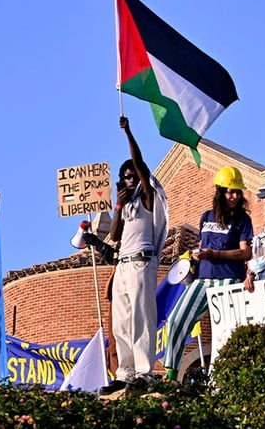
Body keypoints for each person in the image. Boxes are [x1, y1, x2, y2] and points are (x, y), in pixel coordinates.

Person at [99, 116, 169, 395]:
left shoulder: (148, 199)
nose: (130, 180)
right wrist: (118, 205)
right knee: (122, 321)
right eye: (125, 177)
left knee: (141, 316)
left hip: (141, 261)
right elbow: (114, 235)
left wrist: (129, 133)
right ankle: (125, 371)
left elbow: (140, 165)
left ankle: (144, 371)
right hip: (123, 263)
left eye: (133, 176)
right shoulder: (125, 206)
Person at [162, 166, 254, 381]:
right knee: (176, 320)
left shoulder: (243, 219)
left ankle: (233, 379)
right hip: (203, 279)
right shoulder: (206, 217)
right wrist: (198, 255)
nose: (234, 196)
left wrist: (215, 254)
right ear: (220, 192)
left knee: (228, 331)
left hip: (230, 279)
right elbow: (203, 245)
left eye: (237, 192)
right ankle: (171, 374)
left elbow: (245, 252)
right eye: (230, 192)